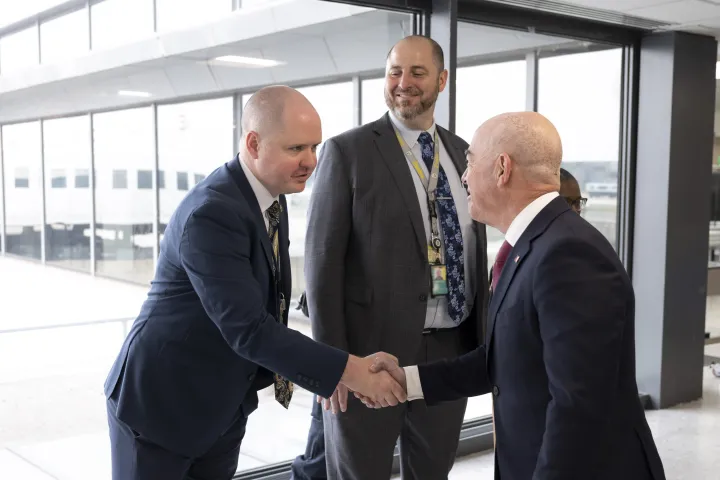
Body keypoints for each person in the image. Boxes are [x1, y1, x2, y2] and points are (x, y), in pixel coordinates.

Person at [103, 85, 406, 480]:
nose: (310, 161)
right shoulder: (212, 213)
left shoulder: (268, 196)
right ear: (253, 143)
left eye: (314, 147)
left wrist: (329, 370)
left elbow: (270, 304)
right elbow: (248, 328)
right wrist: (349, 371)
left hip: (222, 407)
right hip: (161, 408)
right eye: (296, 149)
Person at [366, 112, 667, 480]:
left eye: (470, 163)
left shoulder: (568, 254)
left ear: (502, 169)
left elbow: (577, 407)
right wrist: (406, 380)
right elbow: (509, 358)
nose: (463, 176)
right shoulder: (534, 244)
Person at [303, 35, 489, 480]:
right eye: (394, 72)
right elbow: (321, 266)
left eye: (417, 73)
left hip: (447, 353)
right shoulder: (347, 152)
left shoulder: (464, 153)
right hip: (369, 356)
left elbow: (473, 251)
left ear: (442, 80)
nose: (403, 83)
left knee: (432, 473)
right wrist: (332, 366)